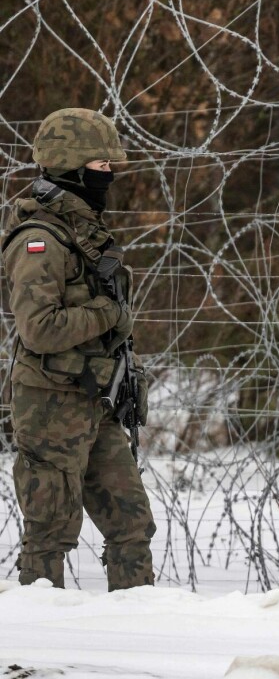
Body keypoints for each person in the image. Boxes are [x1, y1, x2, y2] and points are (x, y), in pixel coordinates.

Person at [3, 107, 154, 589]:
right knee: (50, 534)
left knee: (132, 524)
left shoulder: (84, 232)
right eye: (102, 165)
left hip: (96, 399)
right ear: (72, 165)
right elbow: (38, 329)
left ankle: (141, 621)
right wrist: (109, 313)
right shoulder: (40, 241)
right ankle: (44, 629)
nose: (108, 175)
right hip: (50, 405)